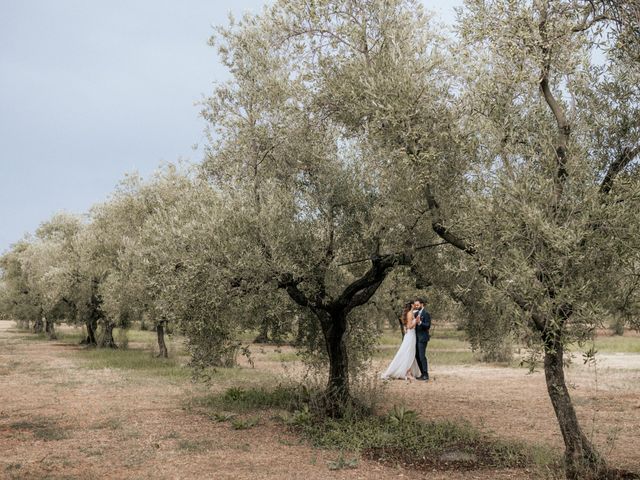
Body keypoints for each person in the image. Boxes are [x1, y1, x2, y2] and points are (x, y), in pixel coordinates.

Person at [381, 302, 422, 380]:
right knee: (408, 353)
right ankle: (407, 372)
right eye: (414, 304)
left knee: (410, 352)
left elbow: (406, 325)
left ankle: (409, 372)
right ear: (411, 305)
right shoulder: (410, 314)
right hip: (410, 335)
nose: (415, 305)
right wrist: (415, 321)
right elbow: (409, 326)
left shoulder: (411, 313)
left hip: (411, 335)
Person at [413, 297, 431, 381]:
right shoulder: (416, 314)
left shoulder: (426, 313)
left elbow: (428, 325)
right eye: (415, 305)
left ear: (422, 304)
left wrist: (420, 322)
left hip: (423, 338)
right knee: (417, 356)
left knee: (422, 356)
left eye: (418, 305)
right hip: (416, 338)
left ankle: (426, 374)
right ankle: (422, 374)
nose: (416, 306)